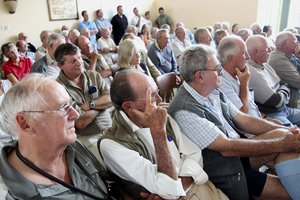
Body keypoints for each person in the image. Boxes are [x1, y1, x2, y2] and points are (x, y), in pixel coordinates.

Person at [168, 44, 300, 200]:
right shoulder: (185, 110)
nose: (221, 72)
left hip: (238, 156)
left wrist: (284, 129)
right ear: (200, 76)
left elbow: (243, 119)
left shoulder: (212, 91)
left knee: (285, 134)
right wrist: (281, 143)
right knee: (288, 191)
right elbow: (227, 148)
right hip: (226, 171)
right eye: (216, 68)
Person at [99, 69, 228, 200]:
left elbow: (194, 153)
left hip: (198, 186)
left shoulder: (161, 113)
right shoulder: (111, 144)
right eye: (153, 96)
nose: (160, 100)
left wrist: (180, 185)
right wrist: (158, 131)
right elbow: (170, 192)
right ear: (128, 107)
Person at [0, 74, 115, 199]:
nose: (75, 114)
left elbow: (110, 186)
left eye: (71, 105)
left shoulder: (72, 146)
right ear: (25, 123)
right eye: (63, 108)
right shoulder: (9, 194)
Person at [55, 43, 112, 160]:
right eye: (73, 61)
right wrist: (101, 105)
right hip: (88, 138)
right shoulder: (58, 88)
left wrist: (91, 105)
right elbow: (81, 122)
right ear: (60, 65)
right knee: (111, 161)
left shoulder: (93, 75)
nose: (79, 62)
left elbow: (111, 99)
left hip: (111, 128)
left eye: (80, 57)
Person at [246, 35, 300, 126]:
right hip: (272, 114)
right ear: (256, 51)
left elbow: (284, 85)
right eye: (267, 48)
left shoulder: (265, 65)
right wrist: (284, 90)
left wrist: (282, 91)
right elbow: (277, 102)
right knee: (295, 136)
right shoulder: (251, 71)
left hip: (285, 109)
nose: (271, 50)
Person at [268, 31, 300, 108]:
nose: (298, 43)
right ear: (285, 43)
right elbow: (298, 82)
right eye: (295, 41)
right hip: (292, 101)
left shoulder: (290, 56)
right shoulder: (278, 59)